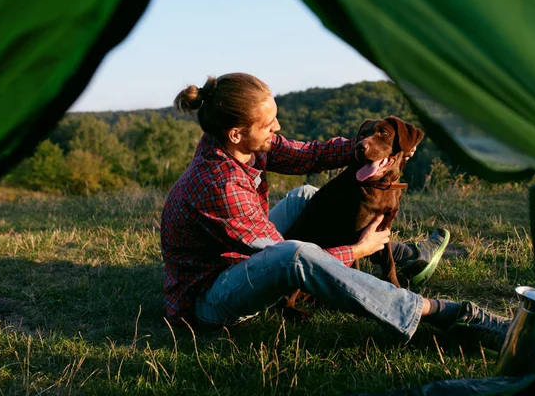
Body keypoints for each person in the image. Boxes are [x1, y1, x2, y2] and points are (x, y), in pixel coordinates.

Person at [160, 72, 510, 351]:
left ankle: (403, 256)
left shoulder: (232, 143)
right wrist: (356, 252)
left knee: (305, 194)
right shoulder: (222, 186)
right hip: (210, 299)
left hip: (235, 254)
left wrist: (379, 152)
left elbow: (309, 155)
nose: (277, 129)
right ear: (236, 133)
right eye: (269, 126)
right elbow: (287, 262)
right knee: (294, 255)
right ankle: (438, 311)